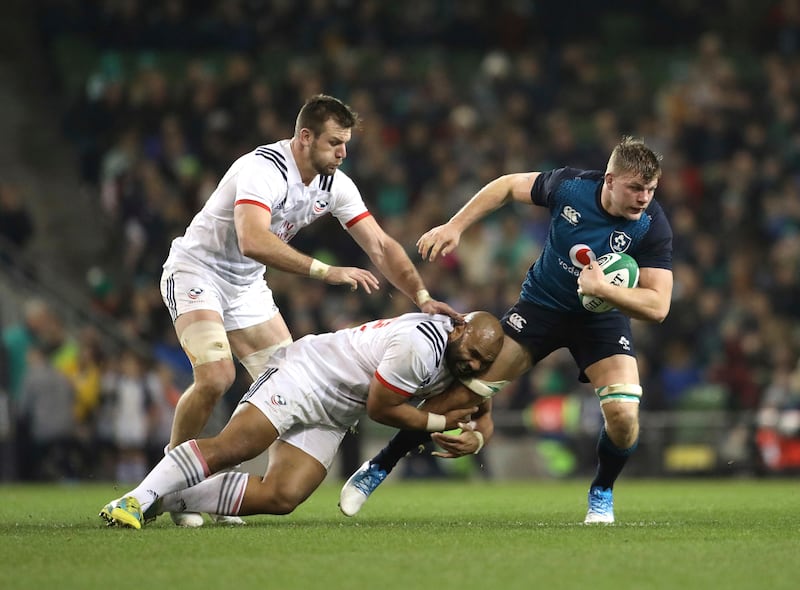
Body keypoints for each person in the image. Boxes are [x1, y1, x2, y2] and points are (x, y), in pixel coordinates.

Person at [339, 136, 673, 524]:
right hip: (543, 306)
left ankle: (601, 491)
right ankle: (379, 467)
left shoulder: (651, 225)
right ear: (610, 180)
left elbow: (659, 306)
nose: (644, 198)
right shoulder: (571, 187)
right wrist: (455, 225)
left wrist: (605, 291)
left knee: (623, 416)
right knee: (465, 394)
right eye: (636, 188)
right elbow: (506, 186)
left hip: (602, 316)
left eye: (651, 189)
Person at [159, 94, 458, 526]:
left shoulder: (333, 184)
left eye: (346, 143)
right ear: (304, 137)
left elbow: (379, 245)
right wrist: (325, 271)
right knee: (216, 376)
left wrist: (423, 297)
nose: (343, 152)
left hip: (246, 288)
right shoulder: (262, 169)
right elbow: (252, 240)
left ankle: (223, 492)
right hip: (197, 272)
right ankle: (170, 481)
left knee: (289, 385)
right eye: (335, 142)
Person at [99, 311, 504, 529]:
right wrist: (440, 424)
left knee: (283, 496)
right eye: (472, 352)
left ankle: (167, 497)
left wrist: (478, 440)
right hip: (307, 375)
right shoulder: (422, 344)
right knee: (237, 446)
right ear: (459, 328)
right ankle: (135, 498)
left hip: (336, 411)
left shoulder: (462, 363)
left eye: (483, 363)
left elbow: (481, 411)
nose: (474, 363)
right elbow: (381, 410)